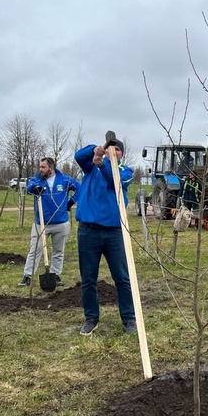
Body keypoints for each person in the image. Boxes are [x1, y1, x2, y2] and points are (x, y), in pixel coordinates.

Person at [73, 138, 136, 336]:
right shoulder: (90, 167)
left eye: (117, 150)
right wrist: (96, 150)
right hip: (88, 231)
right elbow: (78, 156)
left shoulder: (126, 172)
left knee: (123, 278)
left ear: (121, 154)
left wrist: (103, 163)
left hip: (114, 232)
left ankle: (129, 319)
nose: (113, 152)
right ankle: (91, 318)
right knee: (88, 279)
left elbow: (114, 179)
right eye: (111, 149)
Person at [18, 157, 79, 289]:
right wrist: (35, 188)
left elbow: (80, 189)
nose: (41, 169)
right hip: (41, 223)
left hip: (61, 223)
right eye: (40, 167)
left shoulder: (65, 180)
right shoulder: (37, 180)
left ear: (51, 167)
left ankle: (55, 274)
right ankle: (27, 276)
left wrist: (71, 202)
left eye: (43, 167)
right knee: (35, 250)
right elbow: (29, 188)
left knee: (58, 251)